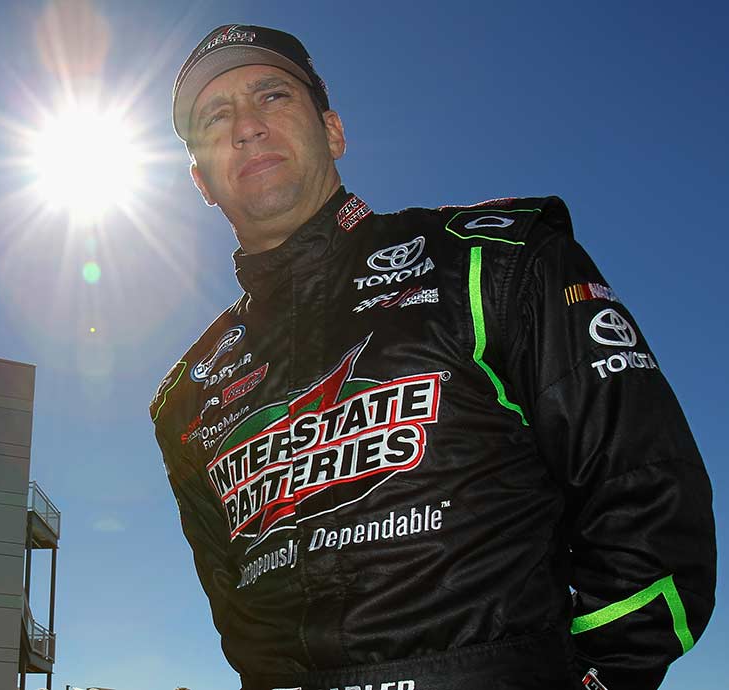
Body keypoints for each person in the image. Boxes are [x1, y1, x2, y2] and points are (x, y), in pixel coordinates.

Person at [148, 23, 715, 690]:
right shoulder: (184, 395)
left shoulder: (494, 262)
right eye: (216, 117)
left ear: (333, 131)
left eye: (272, 96)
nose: (245, 126)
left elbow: (646, 493)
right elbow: (230, 601)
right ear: (201, 182)